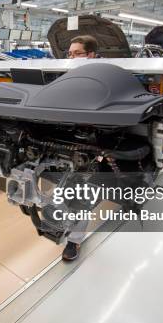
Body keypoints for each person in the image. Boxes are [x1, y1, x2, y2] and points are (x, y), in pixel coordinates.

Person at [60, 35, 98, 262]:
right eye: (70, 53)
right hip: (65, 137)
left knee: (82, 194)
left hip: (89, 140)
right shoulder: (67, 74)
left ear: (91, 54)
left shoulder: (103, 77)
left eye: (77, 53)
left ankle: (74, 240)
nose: (72, 57)